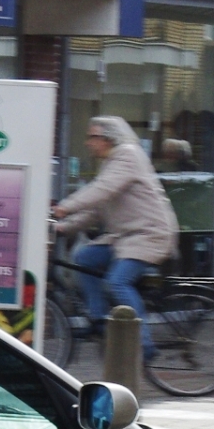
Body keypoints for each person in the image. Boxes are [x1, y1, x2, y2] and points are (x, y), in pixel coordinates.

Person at [54, 116, 175, 343]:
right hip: (126, 238)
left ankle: (143, 345)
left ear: (108, 138)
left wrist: (64, 207)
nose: (88, 142)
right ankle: (98, 320)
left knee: (117, 282)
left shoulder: (128, 155)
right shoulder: (111, 163)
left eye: (93, 137)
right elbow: (98, 209)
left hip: (149, 235)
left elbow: (102, 190)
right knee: (85, 258)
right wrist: (63, 227)